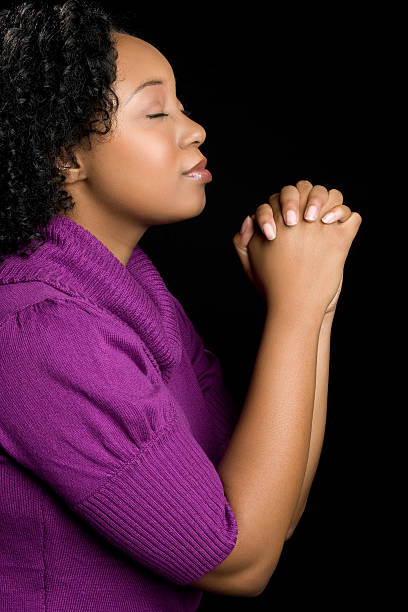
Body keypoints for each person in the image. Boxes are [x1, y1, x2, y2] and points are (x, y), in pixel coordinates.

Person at [0, 1, 362, 610]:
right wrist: (295, 309)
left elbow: (267, 512)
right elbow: (239, 563)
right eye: (156, 110)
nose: (194, 128)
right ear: (65, 155)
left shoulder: (136, 296)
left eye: (184, 105)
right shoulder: (38, 329)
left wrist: (313, 298)